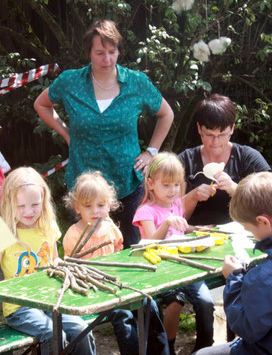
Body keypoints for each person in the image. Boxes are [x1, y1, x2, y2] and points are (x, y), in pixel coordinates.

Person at [34, 19, 174, 248]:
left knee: (133, 250)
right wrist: (67, 134)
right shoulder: (71, 82)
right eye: (99, 53)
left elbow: (166, 114)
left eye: (112, 52)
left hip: (127, 184)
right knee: (87, 250)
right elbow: (41, 104)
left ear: (119, 51)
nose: (107, 59)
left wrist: (151, 151)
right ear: (88, 53)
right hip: (84, 190)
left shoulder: (136, 83)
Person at [0, 167, 105, 355]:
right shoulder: (6, 231)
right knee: (53, 334)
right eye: (21, 207)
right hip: (19, 307)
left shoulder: (47, 226)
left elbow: (53, 263)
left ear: (43, 202)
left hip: (50, 301)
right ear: (8, 204)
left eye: (34, 205)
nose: (28, 212)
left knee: (82, 329)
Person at [63, 170, 181, 355]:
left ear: (108, 205)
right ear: (77, 208)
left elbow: (118, 254)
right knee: (123, 315)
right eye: (88, 206)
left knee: (149, 303)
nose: (95, 211)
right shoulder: (73, 234)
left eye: (100, 205)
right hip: (92, 293)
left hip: (116, 286)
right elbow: (74, 271)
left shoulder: (111, 228)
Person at [179, 93, 272, 344]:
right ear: (199, 129)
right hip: (197, 243)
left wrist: (235, 189)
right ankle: (205, 345)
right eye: (209, 134)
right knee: (203, 297)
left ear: (232, 128)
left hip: (242, 241)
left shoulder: (247, 158)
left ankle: (240, 340)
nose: (215, 141)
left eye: (222, 134)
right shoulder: (186, 161)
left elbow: (270, 206)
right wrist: (192, 197)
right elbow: (172, 217)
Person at [188, 171, 272, 355]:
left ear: (263, 222)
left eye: (248, 228)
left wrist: (235, 278)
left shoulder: (266, 275)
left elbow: (247, 329)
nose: (250, 233)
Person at [132, 152, 209, 355]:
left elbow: (180, 230)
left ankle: (204, 349)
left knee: (206, 302)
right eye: (166, 185)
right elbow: (148, 242)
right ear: (151, 183)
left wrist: (198, 230)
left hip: (185, 268)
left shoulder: (176, 205)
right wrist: (166, 223)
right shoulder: (145, 211)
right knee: (175, 302)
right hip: (161, 272)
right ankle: (169, 352)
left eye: (176, 184)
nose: (173, 190)